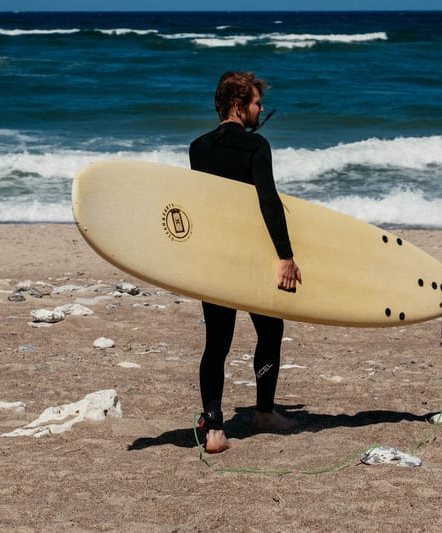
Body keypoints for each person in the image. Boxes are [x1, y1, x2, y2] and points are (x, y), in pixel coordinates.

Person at [189, 71, 302, 453]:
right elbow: (267, 201)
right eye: (257, 103)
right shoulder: (257, 146)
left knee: (216, 343)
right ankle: (265, 412)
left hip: (212, 259)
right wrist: (285, 255)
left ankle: (215, 429)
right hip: (250, 259)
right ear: (239, 106)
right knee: (270, 332)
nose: (261, 109)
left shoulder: (198, 148)